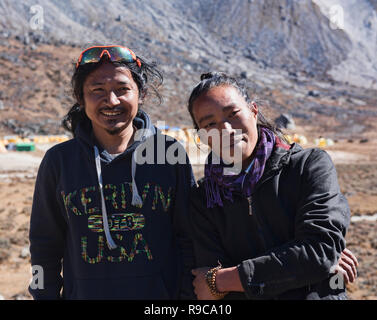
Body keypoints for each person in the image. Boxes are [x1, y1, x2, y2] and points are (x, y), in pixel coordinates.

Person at [28, 45, 195, 299]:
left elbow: (190, 239)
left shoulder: (168, 154)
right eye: (98, 91)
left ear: (141, 94)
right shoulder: (58, 162)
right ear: (80, 97)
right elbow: (44, 246)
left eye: (122, 89)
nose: (112, 101)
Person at [188, 72, 358, 300]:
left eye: (233, 114)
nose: (226, 130)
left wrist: (224, 279)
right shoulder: (205, 199)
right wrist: (302, 264)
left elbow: (319, 251)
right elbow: (211, 290)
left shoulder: (308, 166)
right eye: (210, 124)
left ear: (253, 111)